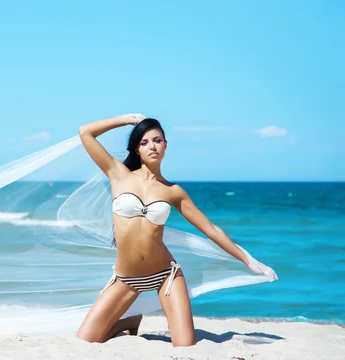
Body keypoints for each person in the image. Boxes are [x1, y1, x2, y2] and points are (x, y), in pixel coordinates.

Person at [75, 114, 277, 346]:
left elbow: (210, 228)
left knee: (185, 346)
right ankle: (127, 321)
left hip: (165, 276)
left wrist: (247, 259)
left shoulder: (173, 191)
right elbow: (85, 132)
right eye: (144, 142)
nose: (152, 146)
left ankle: (128, 320)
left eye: (157, 140)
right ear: (136, 149)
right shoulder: (118, 174)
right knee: (86, 340)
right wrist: (129, 119)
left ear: (166, 145)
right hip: (126, 278)